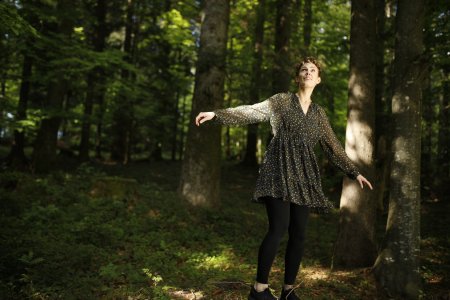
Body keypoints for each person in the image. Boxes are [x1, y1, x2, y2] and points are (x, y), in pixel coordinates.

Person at [195, 57, 373, 300]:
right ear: (297, 77)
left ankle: (288, 291)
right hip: (277, 172)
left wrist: (355, 172)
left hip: (304, 177)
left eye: (313, 70)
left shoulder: (319, 114)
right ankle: (259, 289)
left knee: (299, 234)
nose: (308, 73)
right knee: (278, 228)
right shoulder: (281, 101)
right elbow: (251, 111)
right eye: (304, 69)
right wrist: (216, 115)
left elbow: (333, 146)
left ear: (318, 79)